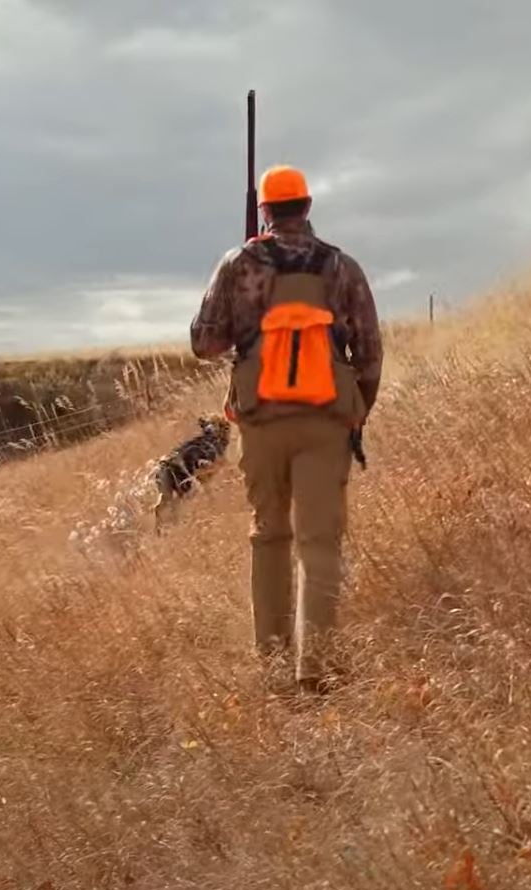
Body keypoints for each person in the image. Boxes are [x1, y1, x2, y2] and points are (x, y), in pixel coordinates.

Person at [189, 164, 382, 694]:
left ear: (266, 211)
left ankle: (273, 671)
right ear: (309, 205)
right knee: (320, 543)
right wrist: (355, 407)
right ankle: (314, 671)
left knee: (270, 536)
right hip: (326, 421)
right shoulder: (342, 267)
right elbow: (368, 351)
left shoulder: (239, 262)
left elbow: (204, 342)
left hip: (262, 423)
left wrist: (246, 297)